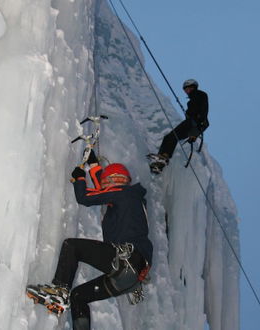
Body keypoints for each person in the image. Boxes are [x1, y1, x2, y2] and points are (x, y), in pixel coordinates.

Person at [27, 150, 153, 330]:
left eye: (108, 181)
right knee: (78, 296)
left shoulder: (123, 193)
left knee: (72, 247)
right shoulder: (131, 197)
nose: (105, 185)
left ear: (117, 180)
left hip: (126, 261)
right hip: (130, 276)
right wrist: (93, 165)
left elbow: (85, 197)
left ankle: (59, 291)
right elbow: (105, 190)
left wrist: (79, 178)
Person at [148, 79, 209, 173]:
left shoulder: (199, 95)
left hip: (192, 123)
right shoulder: (198, 97)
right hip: (195, 126)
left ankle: (163, 157)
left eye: (187, 89)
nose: (186, 91)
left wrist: (191, 115)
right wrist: (195, 134)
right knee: (171, 137)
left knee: (171, 137)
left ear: (193, 87)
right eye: (185, 90)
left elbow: (197, 111)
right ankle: (160, 164)